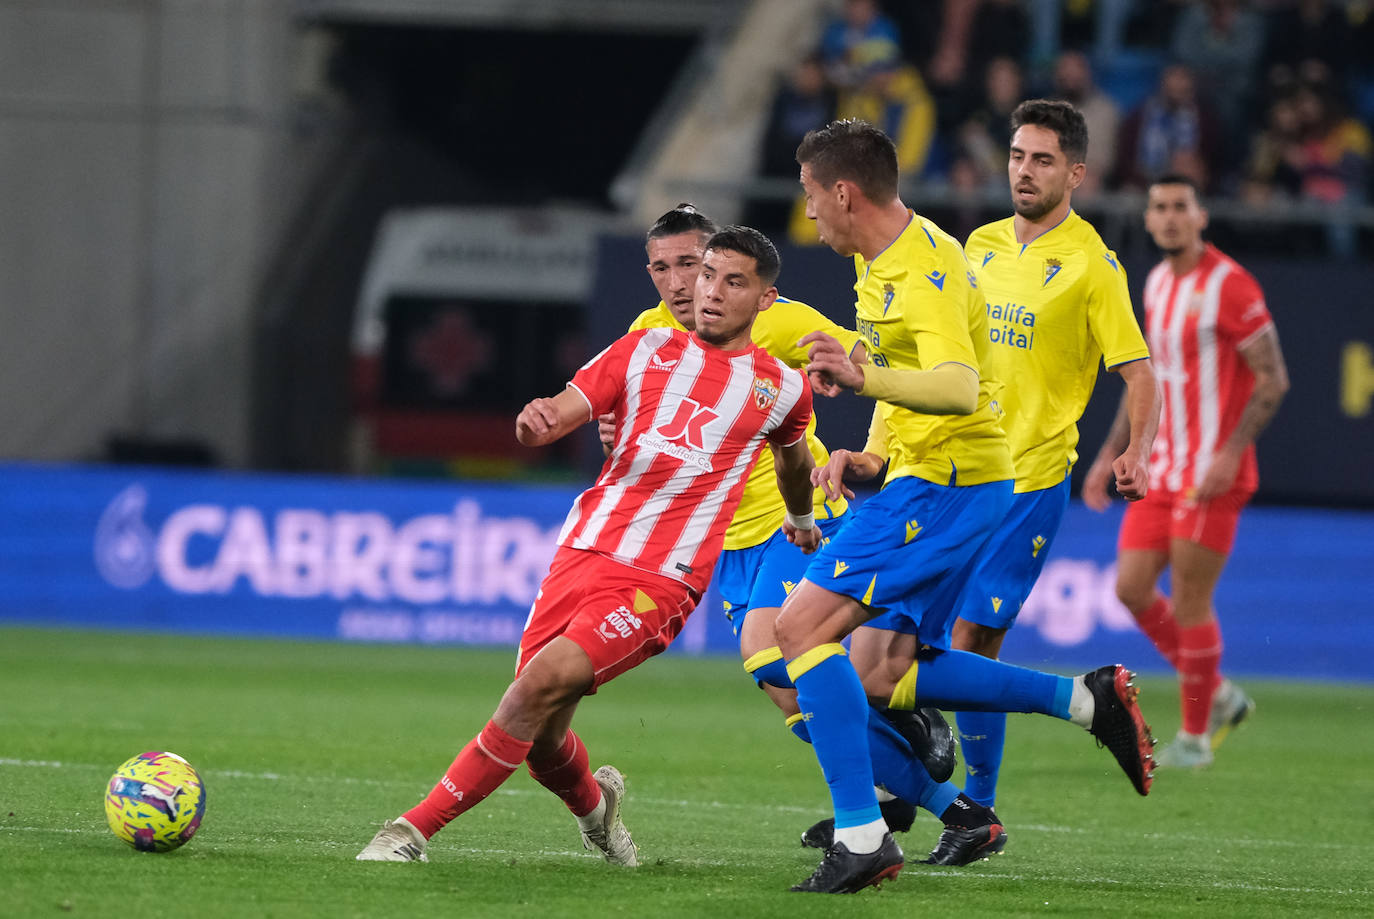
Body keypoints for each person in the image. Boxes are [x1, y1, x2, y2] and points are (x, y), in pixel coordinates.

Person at [356, 226, 821, 864]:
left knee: (532, 688)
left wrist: (799, 516)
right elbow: (567, 405)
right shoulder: (642, 349)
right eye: (706, 274)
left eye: (732, 281)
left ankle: (409, 832)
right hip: (581, 552)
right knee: (542, 737)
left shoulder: (782, 388)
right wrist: (540, 418)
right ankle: (600, 816)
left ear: (766, 300)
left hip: (661, 577)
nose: (708, 291)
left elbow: (794, 461)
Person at [777, 118, 1155, 894]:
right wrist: (870, 453)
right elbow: (898, 366)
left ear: (844, 193)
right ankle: (1085, 703)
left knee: (800, 628)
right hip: (930, 474)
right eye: (1015, 153)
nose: (809, 210)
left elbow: (955, 385)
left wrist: (860, 381)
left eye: (813, 194)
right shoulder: (894, 259)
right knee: (878, 669)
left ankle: (868, 831)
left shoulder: (930, 269)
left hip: (964, 480)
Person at [613, 203, 955, 836]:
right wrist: (616, 424)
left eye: (693, 264)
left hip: (800, 518)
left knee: (771, 654)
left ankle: (907, 721)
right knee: (793, 700)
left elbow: (875, 363)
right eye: (661, 268)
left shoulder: (777, 317)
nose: (681, 282)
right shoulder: (650, 333)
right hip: (729, 542)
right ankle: (933, 801)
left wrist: (858, 388)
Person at [1083, 174, 1289, 768]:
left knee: (1191, 601)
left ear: (1201, 217)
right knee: (1129, 588)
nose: (1169, 217)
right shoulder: (1154, 282)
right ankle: (1219, 692)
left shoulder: (1231, 285)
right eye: (1159, 208)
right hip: (1163, 466)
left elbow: (1273, 378)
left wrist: (1230, 452)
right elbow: (1146, 378)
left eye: (1180, 207)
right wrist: (1108, 456)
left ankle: (1196, 738)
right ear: (1148, 220)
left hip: (1211, 475)